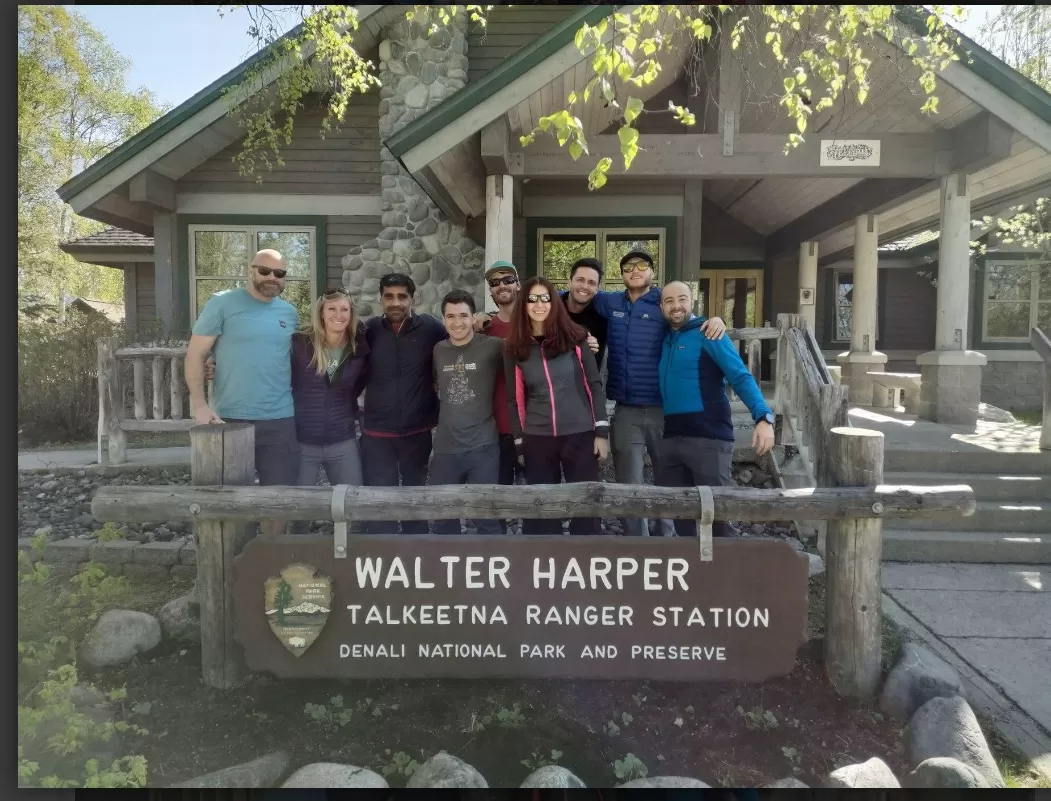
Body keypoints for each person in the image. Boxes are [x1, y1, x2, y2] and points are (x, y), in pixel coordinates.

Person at [588, 248, 726, 537]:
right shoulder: (610, 302)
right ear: (621, 274)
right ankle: (637, 543)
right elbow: (572, 296)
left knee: (668, 481)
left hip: (664, 410)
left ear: (652, 271)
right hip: (626, 410)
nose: (634, 270)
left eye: (642, 265)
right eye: (627, 267)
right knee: (629, 482)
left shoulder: (664, 301)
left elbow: (688, 319)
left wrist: (715, 320)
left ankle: (666, 539)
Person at [185, 249, 300, 537]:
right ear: (251, 271)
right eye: (265, 271)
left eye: (280, 273)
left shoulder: (289, 312)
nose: (272, 278)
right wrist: (199, 405)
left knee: (278, 500)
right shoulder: (222, 303)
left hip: (280, 419)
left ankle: (268, 565)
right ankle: (234, 568)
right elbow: (196, 354)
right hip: (231, 419)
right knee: (231, 502)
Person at [657, 281, 776, 538]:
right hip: (671, 439)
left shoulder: (708, 334)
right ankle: (694, 575)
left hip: (708, 437)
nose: (676, 306)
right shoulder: (664, 337)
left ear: (692, 302)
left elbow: (740, 376)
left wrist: (763, 417)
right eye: (669, 301)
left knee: (719, 518)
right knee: (682, 517)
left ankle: (727, 576)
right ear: (661, 306)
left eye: (682, 299)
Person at [503, 276, 609, 536]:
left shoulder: (576, 338)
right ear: (523, 305)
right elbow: (514, 398)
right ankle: (544, 564)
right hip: (537, 438)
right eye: (532, 299)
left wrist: (601, 433)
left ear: (553, 303)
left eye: (545, 298)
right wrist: (519, 441)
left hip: (580, 434)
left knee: (585, 504)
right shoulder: (515, 347)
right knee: (542, 508)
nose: (539, 304)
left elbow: (593, 385)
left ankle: (587, 562)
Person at [360, 272, 447, 534]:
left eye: (401, 297)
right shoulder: (369, 330)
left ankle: (415, 546)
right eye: (389, 297)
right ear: (380, 299)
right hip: (376, 431)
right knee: (379, 496)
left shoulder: (432, 328)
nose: (395, 303)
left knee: (415, 493)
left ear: (412, 298)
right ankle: (381, 550)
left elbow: (458, 343)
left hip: (417, 430)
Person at [431, 289, 505, 535]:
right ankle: (445, 571)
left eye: (463, 315)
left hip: (482, 447)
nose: (457, 322)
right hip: (445, 448)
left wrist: (582, 339)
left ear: (474, 318)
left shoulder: (492, 346)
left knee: (485, 516)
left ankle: (491, 569)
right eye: (450, 316)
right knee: (443, 517)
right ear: (443, 320)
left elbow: (530, 346)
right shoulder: (438, 350)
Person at [291, 289, 369, 490]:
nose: (338, 314)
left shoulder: (358, 348)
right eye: (332, 308)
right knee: (298, 510)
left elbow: (358, 385)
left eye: (344, 309)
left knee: (352, 502)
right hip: (302, 441)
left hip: (342, 439)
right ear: (321, 313)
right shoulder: (300, 343)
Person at [561, 257, 609, 369]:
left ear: (597, 289)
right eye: (580, 280)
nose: (585, 286)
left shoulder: (601, 321)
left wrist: (591, 352)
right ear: (570, 282)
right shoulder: (551, 310)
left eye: (591, 283)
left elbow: (596, 366)